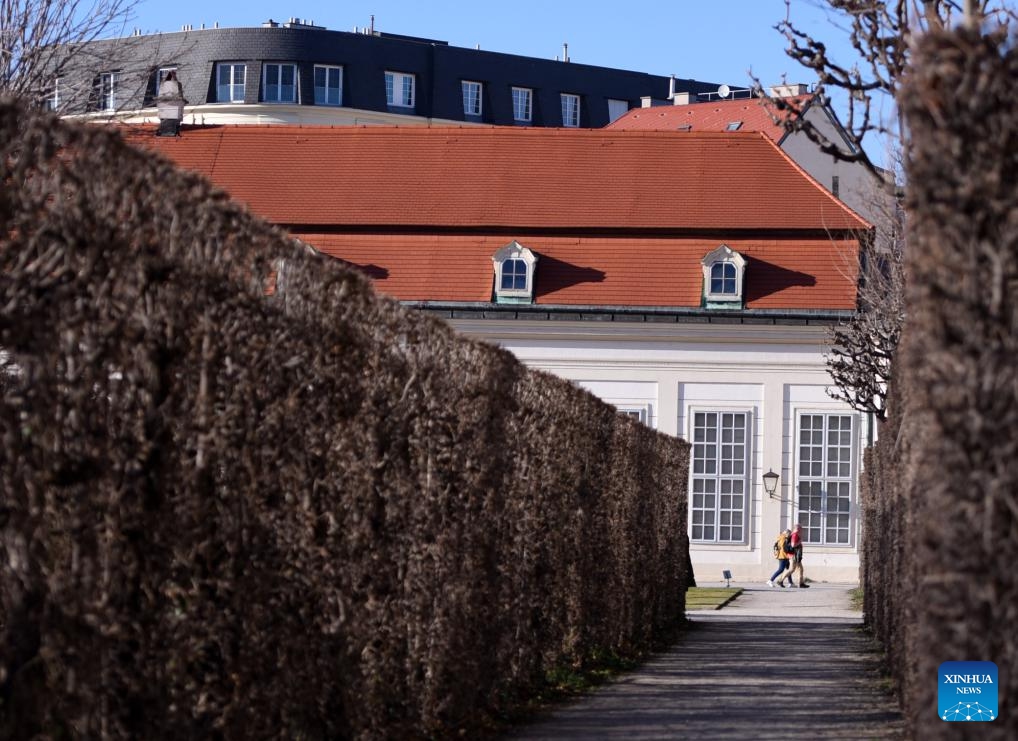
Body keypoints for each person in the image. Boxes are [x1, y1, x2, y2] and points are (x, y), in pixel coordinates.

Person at [784, 523, 809, 588]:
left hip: (795, 555)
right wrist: (800, 541)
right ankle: (780, 580)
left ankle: (801, 583)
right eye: (800, 529)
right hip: (794, 555)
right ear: (797, 529)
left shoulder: (795, 534)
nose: (801, 530)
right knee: (792, 569)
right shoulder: (795, 535)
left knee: (799, 569)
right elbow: (793, 545)